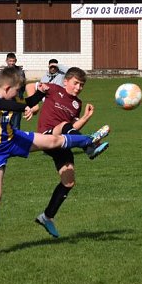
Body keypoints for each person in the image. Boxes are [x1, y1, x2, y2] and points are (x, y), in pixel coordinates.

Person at [0, 66, 110, 254]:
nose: (18, 95)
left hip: (14, 139)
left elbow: (30, 101)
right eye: (16, 91)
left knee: (53, 141)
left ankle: (89, 140)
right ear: (7, 88)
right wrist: (25, 107)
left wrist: (39, 94)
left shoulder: (13, 97)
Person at [32, 66, 110, 238]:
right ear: (66, 81)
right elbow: (30, 87)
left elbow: (73, 128)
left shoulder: (77, 104)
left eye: (81, 85)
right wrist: (34, 99)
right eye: (76, 83)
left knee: (68, 181)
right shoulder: (54, 89)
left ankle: (47, 216)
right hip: (48, 135)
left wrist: (85, 117)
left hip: (63, 140)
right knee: (63, 126)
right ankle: (90, 147)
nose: (78, 88)